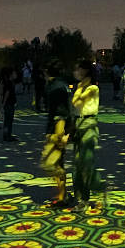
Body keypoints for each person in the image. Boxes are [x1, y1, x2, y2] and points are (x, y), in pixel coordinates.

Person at [71, 59, 105, 208]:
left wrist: (79, 89)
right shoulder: (79, 87)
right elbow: (74, 108)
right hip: (78, 124)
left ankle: (97, 189)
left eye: (78, 69)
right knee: (77, 164)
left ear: (85, 71)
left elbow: (77, 103)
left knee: (86, 162)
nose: (76, 72)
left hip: (89, 124)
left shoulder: (92, 89)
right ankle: (81, 197)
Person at [41, 62, 72, 207]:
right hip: (62, 125)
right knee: (59, 161)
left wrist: (51, 132)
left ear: (47, 72)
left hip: (58, 125)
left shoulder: (53, 87)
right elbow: (69, 108)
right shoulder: (64, 85)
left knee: (52, 162)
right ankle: (62, 195)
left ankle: (62, 196)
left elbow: (55, 111)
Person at [1, 67, 18, 141]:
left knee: (6, 121)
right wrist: (4, 103)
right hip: (9, 103)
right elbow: (7, 93)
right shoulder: (9, 82)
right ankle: (8, 136)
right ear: (11, 74)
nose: (16, 74)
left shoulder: (7, 81)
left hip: (9, 103)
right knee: (9, 120)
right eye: (14, 73)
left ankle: (6, 135)